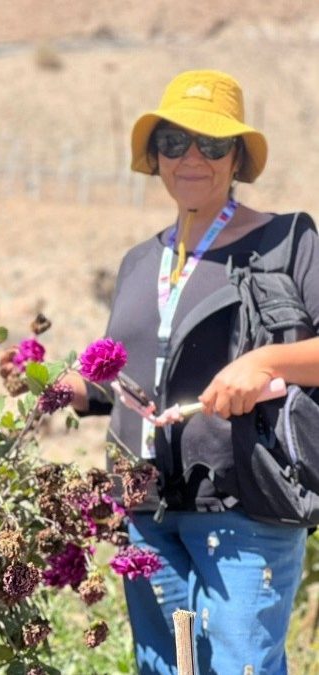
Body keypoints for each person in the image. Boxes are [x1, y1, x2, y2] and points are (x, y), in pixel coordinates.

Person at [61, 70, 318, 673]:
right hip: (146, 511)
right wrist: (71, 387)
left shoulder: (290, 240)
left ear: (237, 158)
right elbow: (125, 375)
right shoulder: (139, 261)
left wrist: (263, 362)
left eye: (213, 143)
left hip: (246, 507)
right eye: (175, 142)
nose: (192, 157)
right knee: (165, 669)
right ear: (154, 157)